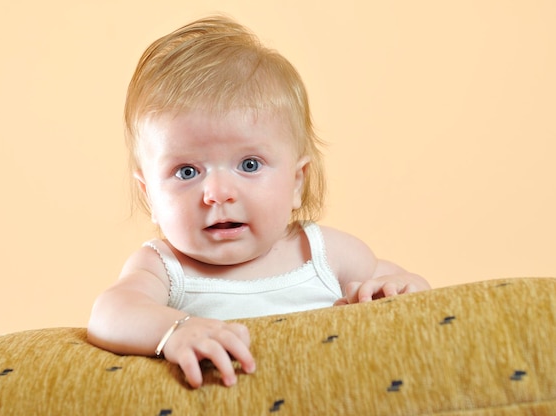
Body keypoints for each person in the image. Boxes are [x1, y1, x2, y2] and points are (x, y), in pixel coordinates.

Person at [87, 15, 430, 389]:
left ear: (297, 182)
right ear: (148, 195)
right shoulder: (164, 269)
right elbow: (109, 314)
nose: (217, 193)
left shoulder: (326, 254)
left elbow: (406, 286)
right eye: (187, 171)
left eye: (249, 165)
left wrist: (396, 289)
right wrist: (176, 330)